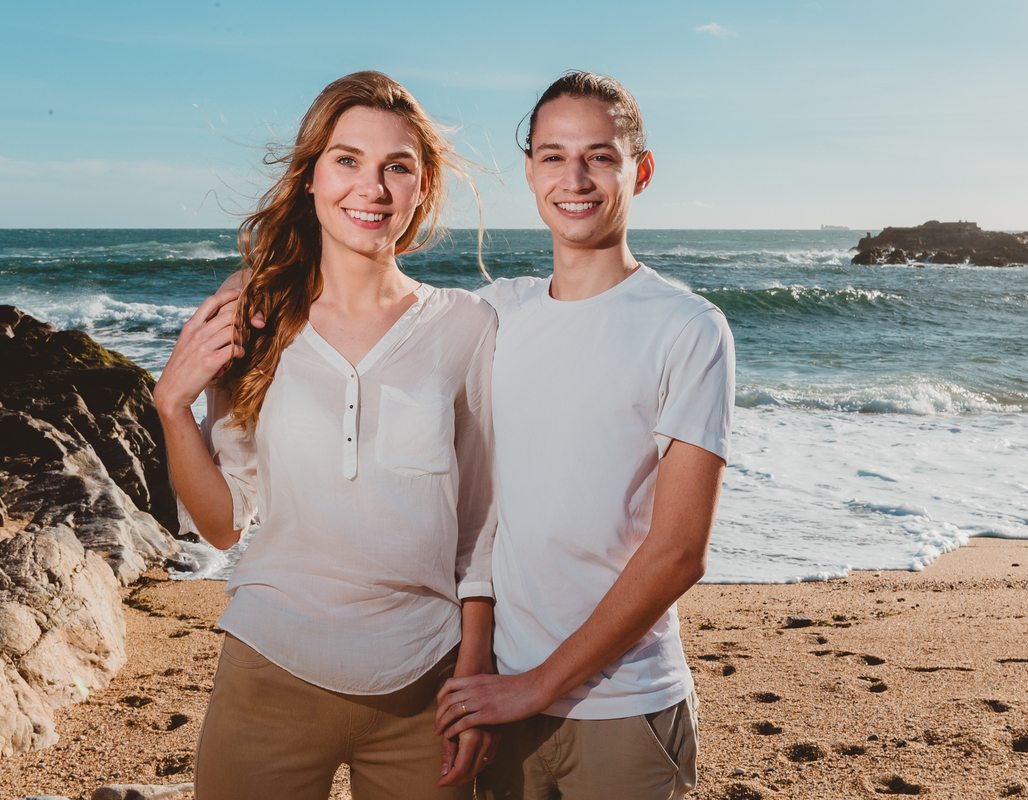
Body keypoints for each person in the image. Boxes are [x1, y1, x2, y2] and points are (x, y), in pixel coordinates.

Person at [153, 71, 498, 800]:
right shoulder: (249, 315)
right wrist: (172, 410)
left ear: (422, 186)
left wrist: (475, 672)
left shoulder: (468, 327)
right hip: (266, 675)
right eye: (347, 160)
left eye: (396, 167)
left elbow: (484, 531)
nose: (370, 188)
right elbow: (220, 525)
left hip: (425, 691)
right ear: (310, 176)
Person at [434, 72, 736, 800]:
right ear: (531, 169)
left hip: (625, 705)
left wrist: (538, 687)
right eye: (552, 155)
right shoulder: (494, 314)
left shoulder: (688, 328)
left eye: (600, 156)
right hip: (501, 695)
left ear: (642, 170)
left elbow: (678, 553)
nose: (575, 178)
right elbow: (481, 512)